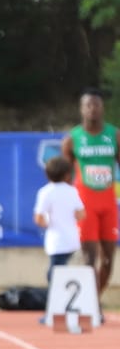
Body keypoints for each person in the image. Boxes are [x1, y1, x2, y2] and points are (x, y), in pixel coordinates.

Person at [61, 87, 117, 301]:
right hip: (85, 204)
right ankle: (89, 303)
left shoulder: (114, 135)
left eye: (96, 105)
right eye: (88, 105)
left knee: (108, 259)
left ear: (102, 108)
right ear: (82, 109)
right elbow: (64, 176)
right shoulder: (72, 139)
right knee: (89, 257)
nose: (93, 109)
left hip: (108, 203)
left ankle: (95, 298)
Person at [33, 155, 85, 324]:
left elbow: (39, 218)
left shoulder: (45, 192)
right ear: (67, 175)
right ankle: (61, 309)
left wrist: (49, 220)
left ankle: (56, 311)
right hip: (71, 240)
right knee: (58, 273)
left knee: (54, 276)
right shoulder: (73, 191)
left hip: (56, 242)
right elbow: (81, 214)